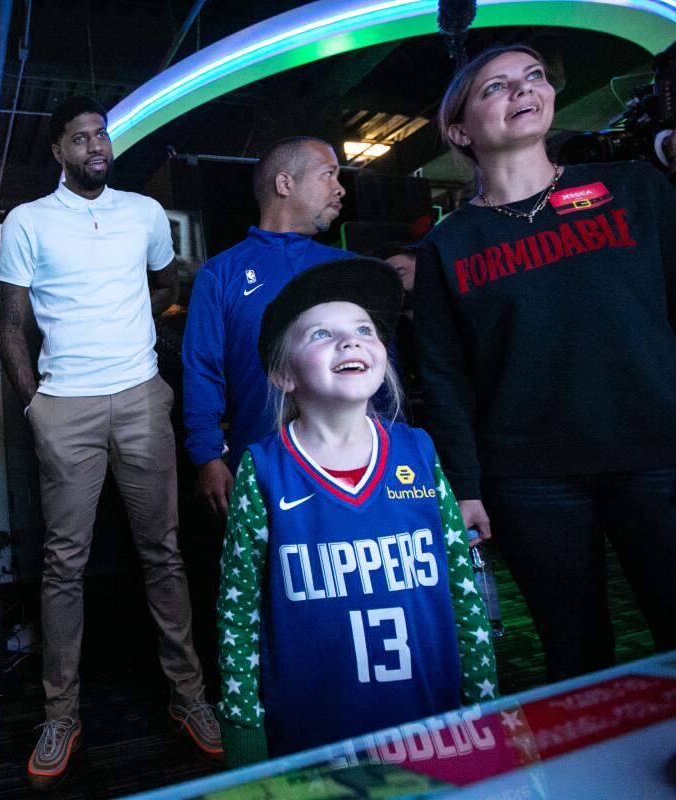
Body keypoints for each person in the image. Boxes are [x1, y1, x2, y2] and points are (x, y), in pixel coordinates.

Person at [416, 44, 676, 681]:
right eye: (495, 87)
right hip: (530, 477)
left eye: (533, 76)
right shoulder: (448, 245)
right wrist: (467, 487)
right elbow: (444, 377)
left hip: (657, 451)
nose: (523, 89)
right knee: (575, 651)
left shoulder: (634, 189)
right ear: (460, 130)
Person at [0, 95, 220, 790]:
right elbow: (9, 324)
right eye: (81, 137)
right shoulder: (29, 221)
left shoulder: (144, 214)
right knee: (64, 562)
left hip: (141, 400)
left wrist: (134, 323)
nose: (97, 144)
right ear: (60, 151)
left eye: (102, 134)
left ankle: (189, 698)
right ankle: (61, 712)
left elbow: (164, 280)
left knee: (163, 552)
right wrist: (35, 406)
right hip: (65, 405)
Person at [216, 257, 498, 767]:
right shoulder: (262, 473)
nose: (350, 342)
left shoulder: (421, 453)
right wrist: (242, 729)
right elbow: (239, 614)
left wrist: (482, 703)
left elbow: (463, 593)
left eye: (364, 330)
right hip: (312, 739)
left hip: (430, 727)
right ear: (283, 373)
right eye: (322, 333)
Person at [183, 137, 349, 517]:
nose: (340, 188)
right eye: (328, 174)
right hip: (260, 463)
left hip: (351, 461)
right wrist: (207, 456)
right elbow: (203, 370)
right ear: (285, 184)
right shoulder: (220, 274)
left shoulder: (348, 269)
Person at [368, 242, 421, 422]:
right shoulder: (388, 334)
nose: (395, 284)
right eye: (388, 279)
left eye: (400, 273)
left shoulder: (451, 318)